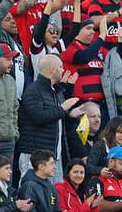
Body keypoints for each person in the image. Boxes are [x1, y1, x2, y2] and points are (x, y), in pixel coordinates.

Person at [16, 54, 79, 183]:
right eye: (60, 67)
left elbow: (58, 115)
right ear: (52, 70)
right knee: (33, 195)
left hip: (54, 155)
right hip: (34, 155)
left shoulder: (54, 91)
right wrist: (62, 108)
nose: (63, 70)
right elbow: (38, 117)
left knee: (54, 197)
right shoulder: (33, 90)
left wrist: (68, 91)